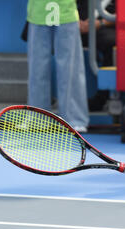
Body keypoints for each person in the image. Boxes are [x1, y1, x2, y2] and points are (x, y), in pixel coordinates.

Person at [26, 0, 89, 132]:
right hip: (37, 13)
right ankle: (37, 118)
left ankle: (75, 119)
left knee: (70, 68)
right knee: (37, 69)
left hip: (66, 13)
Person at [76, 0, 116, 112]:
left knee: (112, 42)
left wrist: (101, 23)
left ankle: (102, 98)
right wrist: (73, 22)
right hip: (74, 24)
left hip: (107, 25)